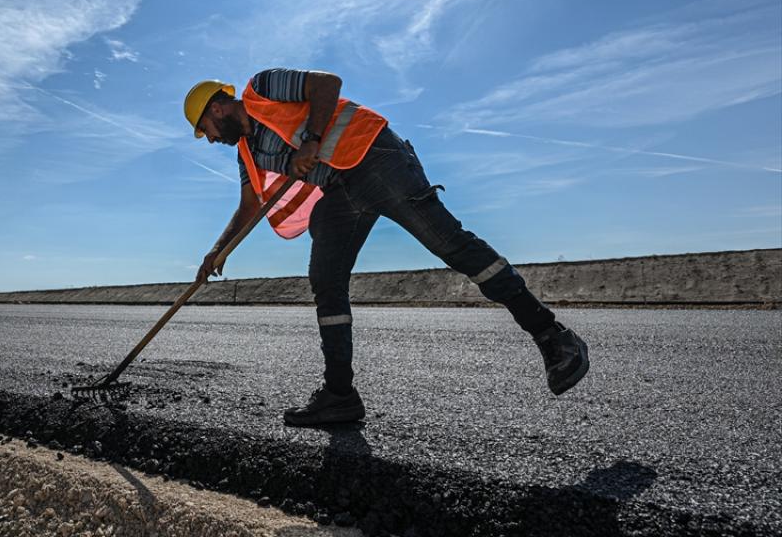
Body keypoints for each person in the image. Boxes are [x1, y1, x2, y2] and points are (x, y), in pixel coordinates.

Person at [186, 69, 589, 427]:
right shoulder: (247, 153)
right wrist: (217, 251)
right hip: (340, 189)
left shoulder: (262, 87)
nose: (212, 139)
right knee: (325, 280)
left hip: (375, 157)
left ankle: (553, 337)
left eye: (207, 129)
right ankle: (340, 395)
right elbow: (250, 203)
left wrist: (311, 140)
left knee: (450, 244)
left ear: (218, 108)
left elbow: (326, 85)